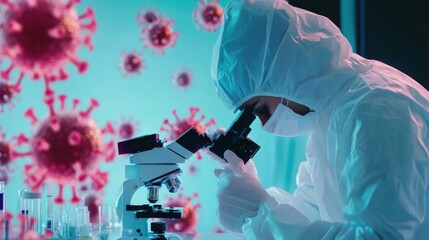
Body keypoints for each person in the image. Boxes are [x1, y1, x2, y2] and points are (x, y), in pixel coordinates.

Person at [208, 0, 429, 239]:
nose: (264, 124)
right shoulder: (332, 118)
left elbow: (378, 236)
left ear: (285, 71)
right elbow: (316, 216)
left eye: (261, 109)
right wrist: (256, 196)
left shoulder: (377, 109)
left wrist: (262, 215)